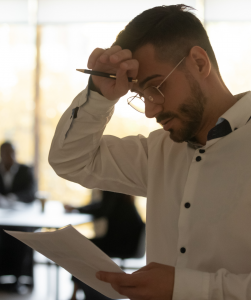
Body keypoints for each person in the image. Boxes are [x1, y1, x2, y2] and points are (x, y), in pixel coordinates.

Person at [49, 4, 251, 300]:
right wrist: (99, 96)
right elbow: (71, 161)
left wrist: (182, 288)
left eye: (156, 87)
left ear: (198, 62)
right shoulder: (158, 152)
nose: (150, 110)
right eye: (141, 95)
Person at [65, 190, 145, 300]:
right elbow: (102, 206)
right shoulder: (121, 191)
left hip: (121, 244)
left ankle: (76, 293)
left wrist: (77, 209)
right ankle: (78, 291)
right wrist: (77, 208)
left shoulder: (112, 189)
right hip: (127, 242)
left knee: (81, 246)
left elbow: (102, 210)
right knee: (83, 245)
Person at [0, 141, 36, 294]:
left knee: (21, 239)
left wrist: (12, 198)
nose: (10, 157)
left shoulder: (25, 170)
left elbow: (32, 193)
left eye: (12, 153)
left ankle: (19, 279)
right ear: (0, 155)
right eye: (6, 153)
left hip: (21, 219)